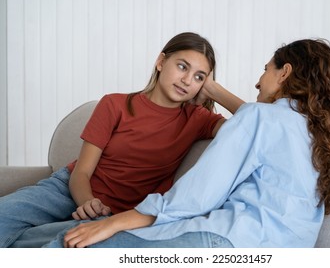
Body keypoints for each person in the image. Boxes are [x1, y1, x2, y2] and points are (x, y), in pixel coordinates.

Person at [45, 38, 330, 248]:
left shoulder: (260, 119)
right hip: (282, 248)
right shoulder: (320, 132)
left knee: (65, 246)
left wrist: (114, 222)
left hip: (226, 241)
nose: (256, 80)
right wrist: (217, 91)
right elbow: (250, 123)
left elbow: (191, 200)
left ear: (284, 73)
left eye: (265, 70)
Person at [0, 32, 245, 248]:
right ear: (161, 62)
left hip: (118, 215)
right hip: (69, 189)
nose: (187, 80)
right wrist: (87, 203)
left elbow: (255, 126)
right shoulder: (114, 104)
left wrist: (215, 90)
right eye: (182, 67)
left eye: (199, 77)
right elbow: (82, 172)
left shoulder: (198, 119)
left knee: (66, 243)